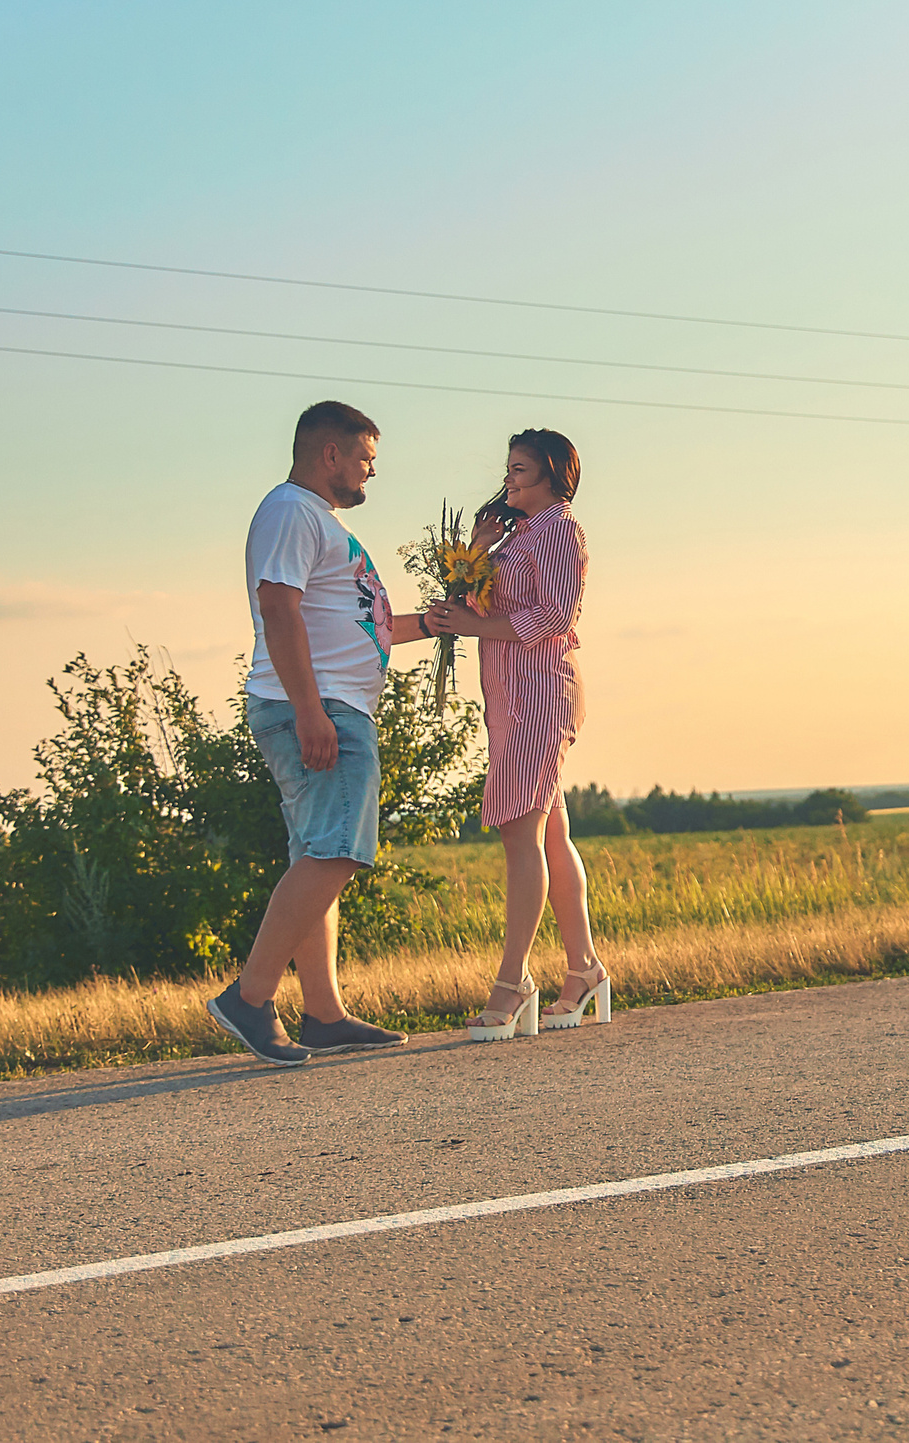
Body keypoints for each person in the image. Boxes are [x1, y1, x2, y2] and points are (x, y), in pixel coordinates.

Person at [207, 400, 434, 1066]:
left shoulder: (319, 523)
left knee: (317, 855)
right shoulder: (291, 511)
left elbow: (362, 623)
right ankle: (249, 998)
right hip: (319, 706)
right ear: (329, 454)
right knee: (337, 851)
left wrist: (436, 623)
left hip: (329, 701)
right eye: (365, 458)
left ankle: (323, 1013)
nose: (371, 472)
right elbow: (277, 607)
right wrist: (309, 709)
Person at [422, 427, 609, 1039]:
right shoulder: (518, 535)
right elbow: (491, 612)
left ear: (556, 475)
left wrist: (479, 625)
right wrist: (475, 554)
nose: (510, 478)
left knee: (520, 830)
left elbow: (556, 615)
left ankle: (513, 982)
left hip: (538, 691)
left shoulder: (556, 527)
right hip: (511, 693)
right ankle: (583, 971)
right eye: (508, 468)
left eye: (522, 470)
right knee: (549, 829)